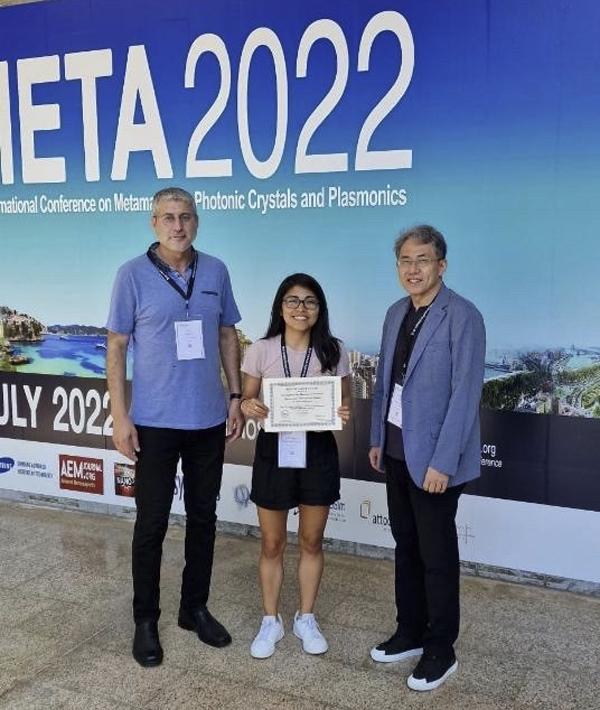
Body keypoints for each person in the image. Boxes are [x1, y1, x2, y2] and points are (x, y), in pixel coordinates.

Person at [106, 187, 244, 667]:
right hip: (153, 423)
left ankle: (194, 608)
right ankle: (146, 618)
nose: (178, 225)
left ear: (197, 222)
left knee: (204, 520)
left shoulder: (217, 271)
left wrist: (235, 396)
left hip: (208, 420)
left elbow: (228, 334)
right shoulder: (132, 276)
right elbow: (118, 346)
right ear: (153, 223)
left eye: (185, 217)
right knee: (152, 524)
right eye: (168, 217)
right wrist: (120, 416)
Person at [369, 225, 485, 691]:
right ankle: (410, 630)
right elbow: (384, 381)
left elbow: (465, 394)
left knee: (437, 556)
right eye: (405, 261)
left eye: (422, 260)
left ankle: (441, 647)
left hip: (436, 460)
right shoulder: (396, 312)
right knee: (406, 546)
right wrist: (378, 435)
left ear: (442, 265)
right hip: (396, 450)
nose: (412, 269)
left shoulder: (462, 316)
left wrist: (444, 462)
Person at [240, 273, 351, 659]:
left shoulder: (335, 351)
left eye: (310, 301)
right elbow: (247, 399)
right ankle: (271, 620)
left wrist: (341, 411)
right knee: (272, 543)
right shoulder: (261, 349)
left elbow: (344, 403)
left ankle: (306, 616)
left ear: (320, 309)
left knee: (311, 541)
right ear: (279, 307)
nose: (301, 309)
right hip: (275, 449)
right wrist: (247, 406)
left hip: (317, 449)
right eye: (292, 300)